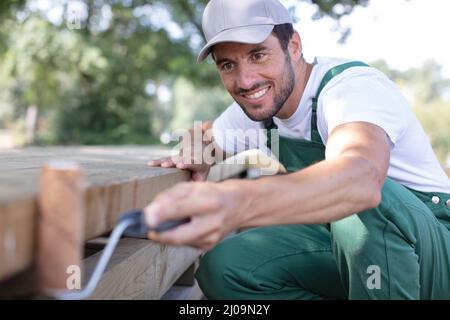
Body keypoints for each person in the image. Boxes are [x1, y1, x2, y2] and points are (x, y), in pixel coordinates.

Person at [146, 0, 450, 299]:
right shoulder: (258, 109)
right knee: (226, 269)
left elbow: (362, 179)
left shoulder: (350, 89)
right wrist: (197, 149)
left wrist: (238, 202)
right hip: (358, 253)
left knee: (355, 201)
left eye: (258, 55)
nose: (245, 80)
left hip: (432, 248)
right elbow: (207, 135)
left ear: (293, 45)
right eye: (228, 64)